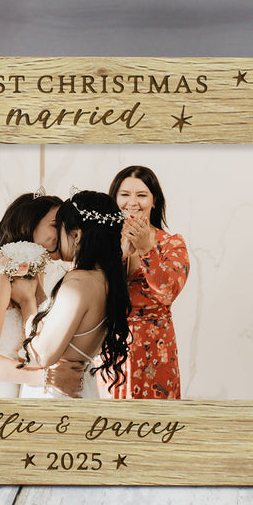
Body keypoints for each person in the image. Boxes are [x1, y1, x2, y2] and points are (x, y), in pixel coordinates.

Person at [0, 192, 83, 398]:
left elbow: (41, 342)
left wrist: (30, 299)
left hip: (11, 408)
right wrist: (47, 378)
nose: (61, 233)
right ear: (25, 225)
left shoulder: (29, 278)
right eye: (54, 225)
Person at [16, 191, 130, 399]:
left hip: (53, 395)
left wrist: (26, 302)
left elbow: (43, 355)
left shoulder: (78, 283)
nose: (56, 238)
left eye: (58, 228)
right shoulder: (106, 280)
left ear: (76, 235)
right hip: (80, 390)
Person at [107, 165, 189, 399]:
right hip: (110, 345)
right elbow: (85, 289)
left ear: (154, 201)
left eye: (141, 195)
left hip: (157, 348)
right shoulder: (100, 243)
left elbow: (167, 293)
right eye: (124, 195)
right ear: (115, 199)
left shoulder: (172, 243)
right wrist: (119, 255)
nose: (132, 202)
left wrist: (145, 249)